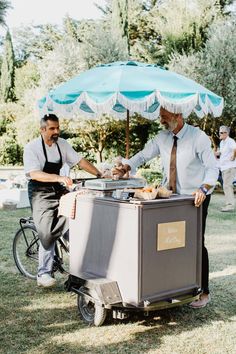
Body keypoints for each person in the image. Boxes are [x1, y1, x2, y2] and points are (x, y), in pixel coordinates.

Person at [112, 107, 219, 309]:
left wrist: (203, 188)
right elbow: (143, 156)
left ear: (178, 116)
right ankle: (175, 284)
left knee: (196, 243)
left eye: (164, 117)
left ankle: (203, 291)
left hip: (194, 198)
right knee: (169, 241)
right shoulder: (162, 137)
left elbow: (212, 167)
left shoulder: (198, 137)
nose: (160, 120)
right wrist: (125, 167)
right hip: (170, 197)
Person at [23, 114, 102, 288]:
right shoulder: (32, 148)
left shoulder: (63, 144)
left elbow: (80, 161)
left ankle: (80, 268)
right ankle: (43, 273)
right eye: (52, 128)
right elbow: (35, 173)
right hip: (39, 192)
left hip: (58, 189)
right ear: (42, 129)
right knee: (47, 229)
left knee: (74, 219)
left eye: (58, 128)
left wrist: (99, 174)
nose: (56, 131)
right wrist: (58, 177)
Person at [217, 126, 236, 212]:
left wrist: (233, 156)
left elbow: (235, 148)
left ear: (226, 133)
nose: (219, 134)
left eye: (221, 132)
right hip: (224, 167)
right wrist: (214, 153)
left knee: (227, 186)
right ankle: (229, 204)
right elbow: (221, 152)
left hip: (229, 167)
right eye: (219, 132)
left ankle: (230, 206)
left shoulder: (230, 141)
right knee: (226, 186)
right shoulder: (222, 142)